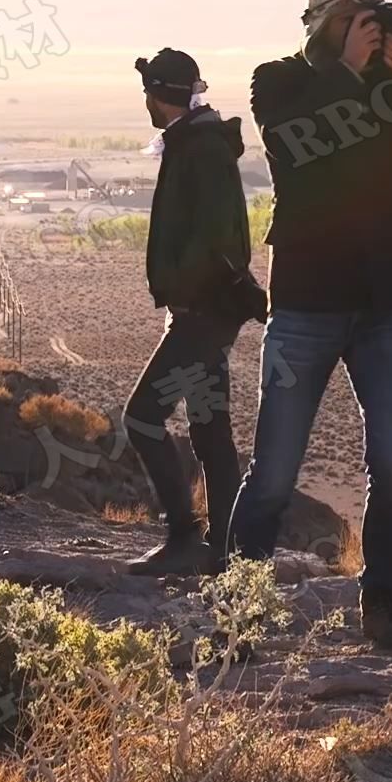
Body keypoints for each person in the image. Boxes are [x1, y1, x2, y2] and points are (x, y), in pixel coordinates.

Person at [232, 0, 392, 646]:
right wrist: (347, 69)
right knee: (274, 471)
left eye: (369, 19)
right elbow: (294, 145)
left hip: (383, 301)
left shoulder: (387, 85)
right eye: (353, 20)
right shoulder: (279, 80)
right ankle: (240, 608)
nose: (366, 30)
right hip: (306, 301)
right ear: (322, 23)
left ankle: (383, 603)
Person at [120, 49, 262, 577]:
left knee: (142, 417)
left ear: (157, 94)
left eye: (146, 93)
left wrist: (193, 293)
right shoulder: (194, 141)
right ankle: (223, 555)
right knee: (209, 429)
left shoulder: (199, 148)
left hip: (201, 315)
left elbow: (220, 239)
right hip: (203, 313)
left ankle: (185, 537)